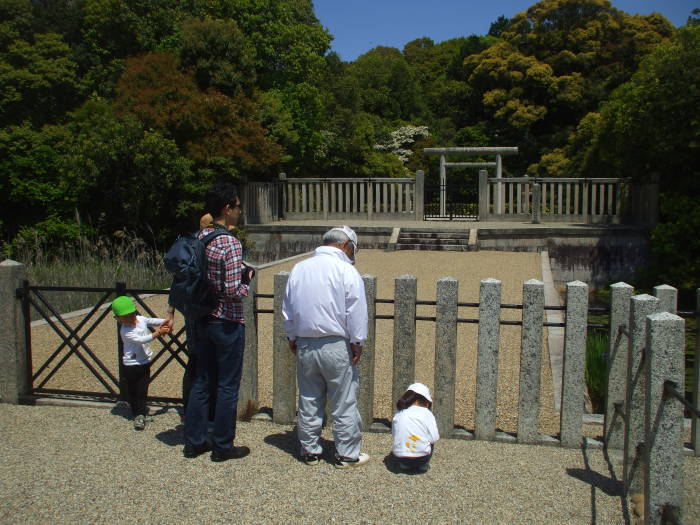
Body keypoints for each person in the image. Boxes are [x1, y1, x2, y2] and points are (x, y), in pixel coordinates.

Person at [173, 182, 254, 462]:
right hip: (226, 320)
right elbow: (232, 290)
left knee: (201, 381)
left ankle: (194, 442)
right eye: (237, 206)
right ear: (226, 208)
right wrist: (247, 281)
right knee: (227, 386)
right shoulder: (229, 242)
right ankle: (222, 446)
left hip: (200, 318)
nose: (239, 211)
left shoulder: (199, 236)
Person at [282, 225, 369, 468]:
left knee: (309, 397)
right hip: (335, 344)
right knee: (343, 399)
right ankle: (347, 453)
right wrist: (357, 341)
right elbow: (356, 310)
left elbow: (288, 308)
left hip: (306, 343)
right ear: (344, 245)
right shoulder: (346, 270)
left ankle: (310, 450)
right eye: (352, 248)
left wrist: (291, 336)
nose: (353, 253)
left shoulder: (299, 268)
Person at [112, 295, 170, 431]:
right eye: (125, 318)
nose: (129, 319)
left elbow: (151, 320)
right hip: (131, 364)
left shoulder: (140, 319)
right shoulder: (125, 331)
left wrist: (166, 321)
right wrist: (158, 333)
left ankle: (140, 411)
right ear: (117, 319)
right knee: (134, 389)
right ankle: (138, 413)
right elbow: (141, 340)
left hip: (144, 361)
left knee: (142, 388)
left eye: (131, 315)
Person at [391, 382, 439, 473]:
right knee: (430, 440)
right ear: (423, 400)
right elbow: (434, 437)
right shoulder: (426, 413)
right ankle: (423, 465)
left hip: (400, 457)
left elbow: (394, 435)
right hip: (422, 457)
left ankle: (405, 465)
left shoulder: (399, 412)